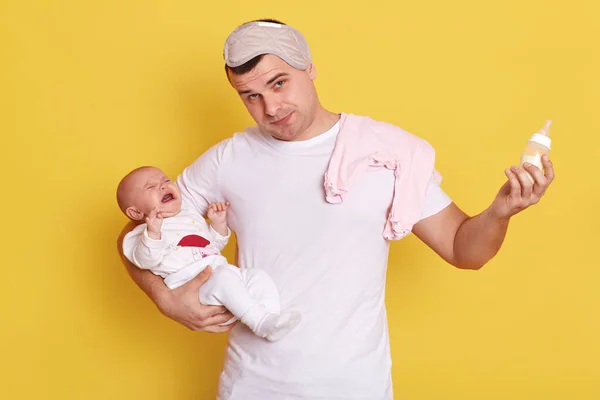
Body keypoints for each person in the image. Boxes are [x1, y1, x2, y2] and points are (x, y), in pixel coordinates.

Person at [118, 19, 555, 400]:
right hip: (250, 385)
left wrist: (501, 211)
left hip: (353, 385)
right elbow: (135, 232)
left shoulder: (386, 151)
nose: (270, 108)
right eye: (250, 96)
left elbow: (465, 251)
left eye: (279, 83)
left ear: (309, 68)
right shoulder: (228, 160)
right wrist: (164, 298)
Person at [117, 166, 302, 342]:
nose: (163, 185)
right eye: (151, 186)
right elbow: (145, 260)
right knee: (224, 277)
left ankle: (270, 319)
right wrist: (153, 233)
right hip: (192, 286)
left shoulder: (189, 216)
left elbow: (211, 246)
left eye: (166, 180)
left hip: (221, 273)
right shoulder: (140, 235)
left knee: (257, 277)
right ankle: (259, 322)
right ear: (135, 212)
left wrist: (217, 225)